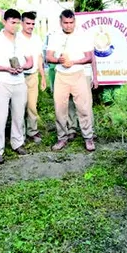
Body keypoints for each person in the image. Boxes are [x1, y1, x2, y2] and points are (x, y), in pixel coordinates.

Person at [0, 9, 33, 164]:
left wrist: (22, 68)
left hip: (19, 81)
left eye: (18, 23)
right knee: (0, 117)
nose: (15, 26)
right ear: (4, 22)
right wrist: (5, 68)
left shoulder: (23, 40)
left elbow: (30, 61)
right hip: (1, 82)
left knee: (19, 115)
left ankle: (17, 143)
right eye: (12, 22)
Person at [46, 9, 95, 152]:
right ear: (60, 22)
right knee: (60, 108)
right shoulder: (54, 36)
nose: (68, 25)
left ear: (75, 21)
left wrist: (73, 62)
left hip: (78, 74)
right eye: (65, 23)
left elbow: (89, 57)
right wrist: (58, 60)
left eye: (71, 22)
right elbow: (48, 57)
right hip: (61, 75)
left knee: (83, 107)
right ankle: (62, 137)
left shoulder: (82, 35)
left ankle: (88, 138)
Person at [20, 11, 46, 143]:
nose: (30, 26)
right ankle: (19, 135)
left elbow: (39, 58)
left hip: (33, 75)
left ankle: (32, 131)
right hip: (18, 76)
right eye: (28, 23)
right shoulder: (16, 38)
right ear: (22, 23)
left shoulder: (37, 39)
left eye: (32, 24)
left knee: (32, 105)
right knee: (18, 106)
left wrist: (43, 77)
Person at [67, 52, 99, 140]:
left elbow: (92, 59)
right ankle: (71, 129)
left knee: (86, 103)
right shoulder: (65, 38)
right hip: (68, 73)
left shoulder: (86, 39)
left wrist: (95, 77)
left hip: (85, 74)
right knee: (69, 102)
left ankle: (90, 130)